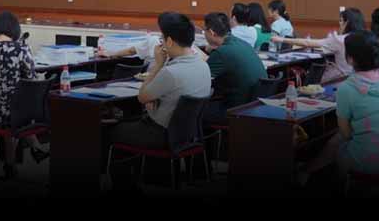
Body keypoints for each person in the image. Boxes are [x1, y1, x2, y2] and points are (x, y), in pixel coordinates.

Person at [303, 32, 379, 181]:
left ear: (350, 59)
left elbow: (346, 134)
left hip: (374, 168)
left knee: (338, 148)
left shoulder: (347, 88)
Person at [108, 13, 212, 155]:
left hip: (160, 134)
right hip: (188, 135)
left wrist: (158, 64)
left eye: (162, 38)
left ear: (169, 41)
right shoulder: (204, 66)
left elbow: (142, 97)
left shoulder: (170, 72)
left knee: (110, 130)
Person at [0, 11, 48, 179]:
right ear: (15, 30)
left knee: (11, 116)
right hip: (18, 115)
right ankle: (34, 149)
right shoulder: (22, 51)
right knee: (16, 113)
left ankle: (13, 163)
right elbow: (33, 84)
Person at [202, 12, 267, 125]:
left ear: (211, 32)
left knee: (192, 112)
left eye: (204, 31)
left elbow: (200, 79)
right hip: (253, 106)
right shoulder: (242, 43)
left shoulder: (221, 52)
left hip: (234, 110)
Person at [273, 7, 366, 83]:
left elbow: (307, 43)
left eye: (341, 21)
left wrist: (282, 39)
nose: (339, 23)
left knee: (309, 78)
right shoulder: (365, 38)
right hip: (358, 79)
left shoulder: (339, 40)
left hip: (338, 79)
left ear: (347, 23)